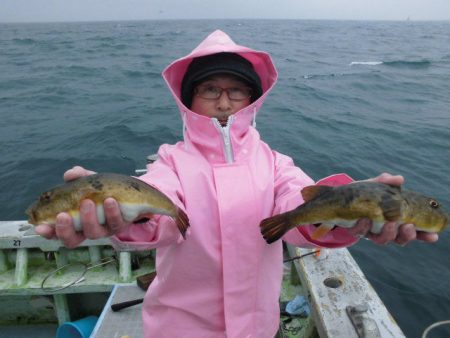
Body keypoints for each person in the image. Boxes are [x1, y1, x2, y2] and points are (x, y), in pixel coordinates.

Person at [35, 30, 438, 338]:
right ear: (188, 99)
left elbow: (298, 209)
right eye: (210, 90)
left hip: (260, 328)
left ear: (253, 100)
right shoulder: (169, 162)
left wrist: (350, 205)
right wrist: (122, 220)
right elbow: (158, 210)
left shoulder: (277, 163)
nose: (224, 103)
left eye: (237, 91)